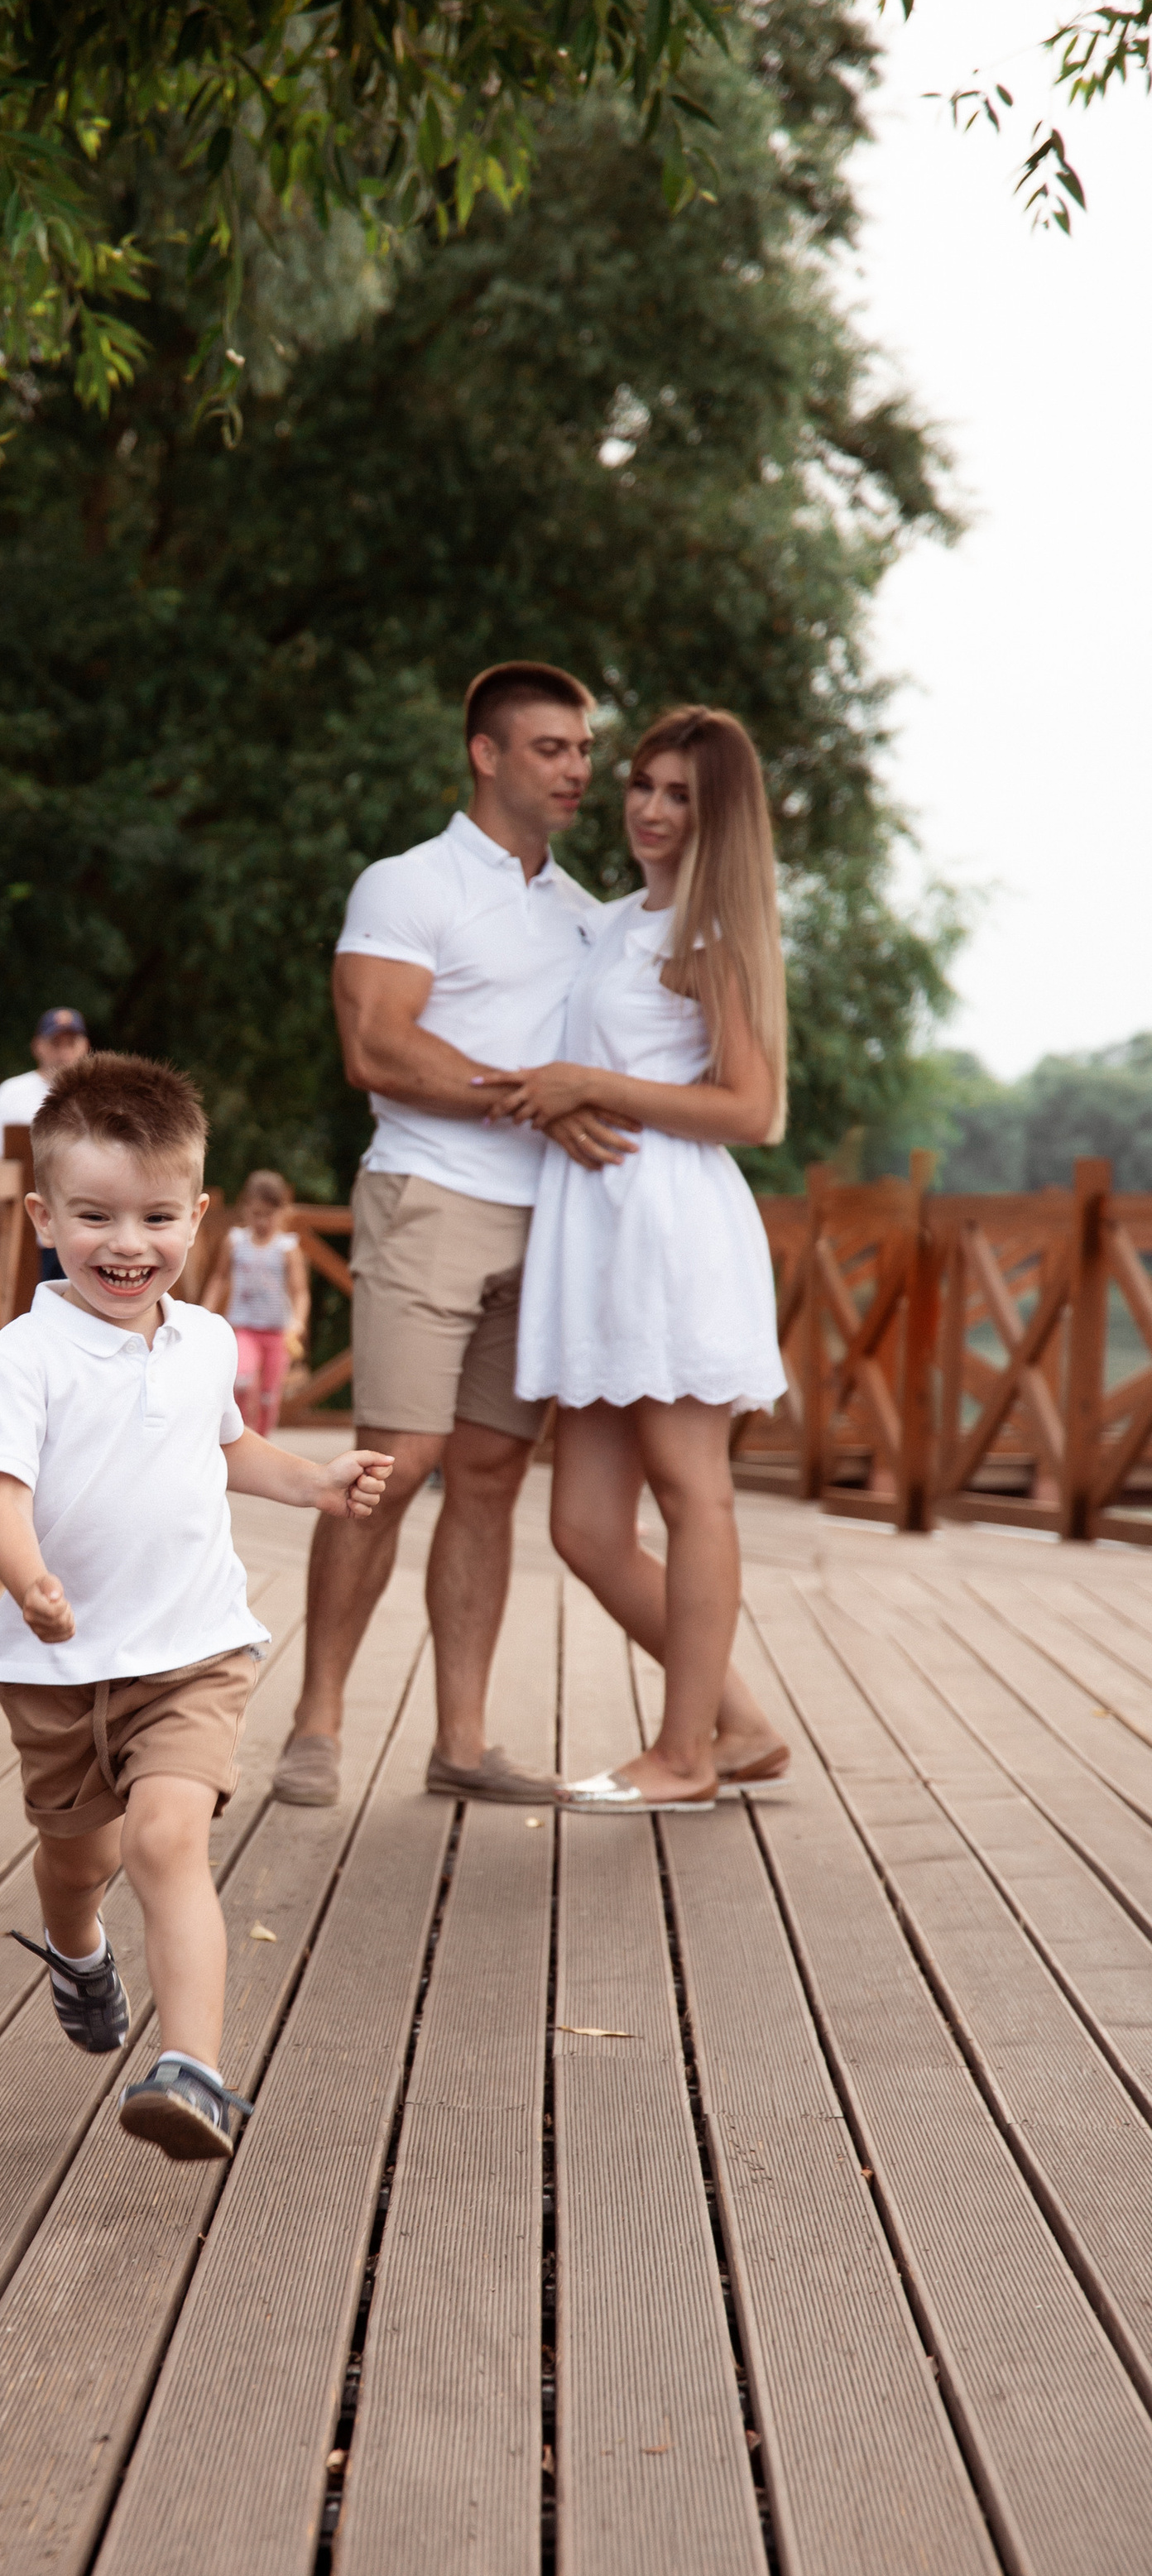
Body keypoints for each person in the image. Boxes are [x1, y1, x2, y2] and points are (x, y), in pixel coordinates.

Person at [0, 1052, 391, 2161]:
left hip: (194, 1652)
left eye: (157, 1216)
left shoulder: (203, 1342)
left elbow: (231, 1447)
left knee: (166, 1841)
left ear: (197, 1215)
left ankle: (192, 2071)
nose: (128, 1243)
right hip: (60, 1668)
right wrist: (27, 1580)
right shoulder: (25, 1357)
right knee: (80, 1862)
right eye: (95, 1215)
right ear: (42, 1216)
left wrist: (316, 1481)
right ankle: (77, 1948)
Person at [273, 660, 632, 1811]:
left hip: (551, 1222)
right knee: (395, 1464)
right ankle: (317, 1724)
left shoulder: (588, 919)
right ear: (486, 754)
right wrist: (536, 1094)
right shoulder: (409, 883)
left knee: (488, 1475)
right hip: (428, 1195)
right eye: (551, 748)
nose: (578, 768)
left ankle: (463, 1743)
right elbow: (378, 1046)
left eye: (583, 750)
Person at [485, 705, 791, 1807]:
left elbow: (754, 1109)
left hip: (669, 1227)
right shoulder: (613, 924)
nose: (652, 811)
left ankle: (686, 1756)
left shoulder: (714, 934)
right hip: (595, 1234)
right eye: (645, 786)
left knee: (688, 1485)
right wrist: (561, 1099)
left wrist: (591, 1089)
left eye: (681, 796)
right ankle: (742, 1723)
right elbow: (567, 1063)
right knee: (582, 1526)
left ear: (720, 817)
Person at [202, 1169, 310, 1438]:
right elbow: (219, 1278)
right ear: (245, 1207)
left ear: (282, 1211)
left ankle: (263, 1440)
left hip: (276, 1332)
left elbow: (300, 1292)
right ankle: (241, 1434)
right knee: (242, 1379)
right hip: (244, 1328)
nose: (261, 1221)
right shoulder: (235, 1241)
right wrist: (204, 1312)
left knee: (269, 1394)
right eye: (256, 1213)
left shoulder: (287, 1248)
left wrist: (298, 1321)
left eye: (269, 1214)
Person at [0, 1007, 91, 1158]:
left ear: (85, 1047)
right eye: (56, 1043)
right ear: (37, 1047)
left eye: (71, 1044)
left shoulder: (102, 1096)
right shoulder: (11, 1092)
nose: (64, 1053)